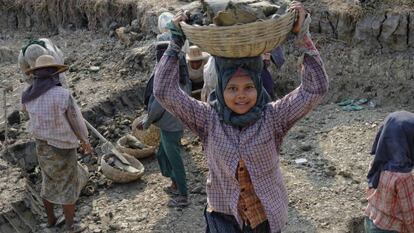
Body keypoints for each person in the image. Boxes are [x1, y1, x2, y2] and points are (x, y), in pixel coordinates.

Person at [153, 1, 328, 232]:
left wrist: (302, 37)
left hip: (264, 217)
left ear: (258, 87)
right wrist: (175, 43)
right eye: (232, 89)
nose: (241, 96)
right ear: (221, 90)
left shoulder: (273, 117)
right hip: (223, 216)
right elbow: (165, 92)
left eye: (248, 87)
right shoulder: (208, 119)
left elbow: (315, 89)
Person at [21, 55, 91, 233]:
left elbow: (26, 115)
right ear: (54, 74)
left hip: (42, 145)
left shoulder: (28, 95)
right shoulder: (62, 94)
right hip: (63, 147)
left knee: (48, 180)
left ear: (36, 75)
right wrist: (85, 141)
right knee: (68, 183)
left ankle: (51, 220)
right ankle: (70, 225)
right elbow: (76, 121)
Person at [138, 41, 191, 207]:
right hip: (173, 125)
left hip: (170, 128)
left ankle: (183, 195)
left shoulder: (166, 78)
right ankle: (175, 182)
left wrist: (145, 123)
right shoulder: (179, 74)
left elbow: (156, 106)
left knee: (175, 160)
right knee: (162, 154)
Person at [364, 111, 414, 233]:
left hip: (370, 220)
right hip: (390, 228)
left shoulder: (379, 160)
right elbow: (409, 215)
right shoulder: (403, 176)